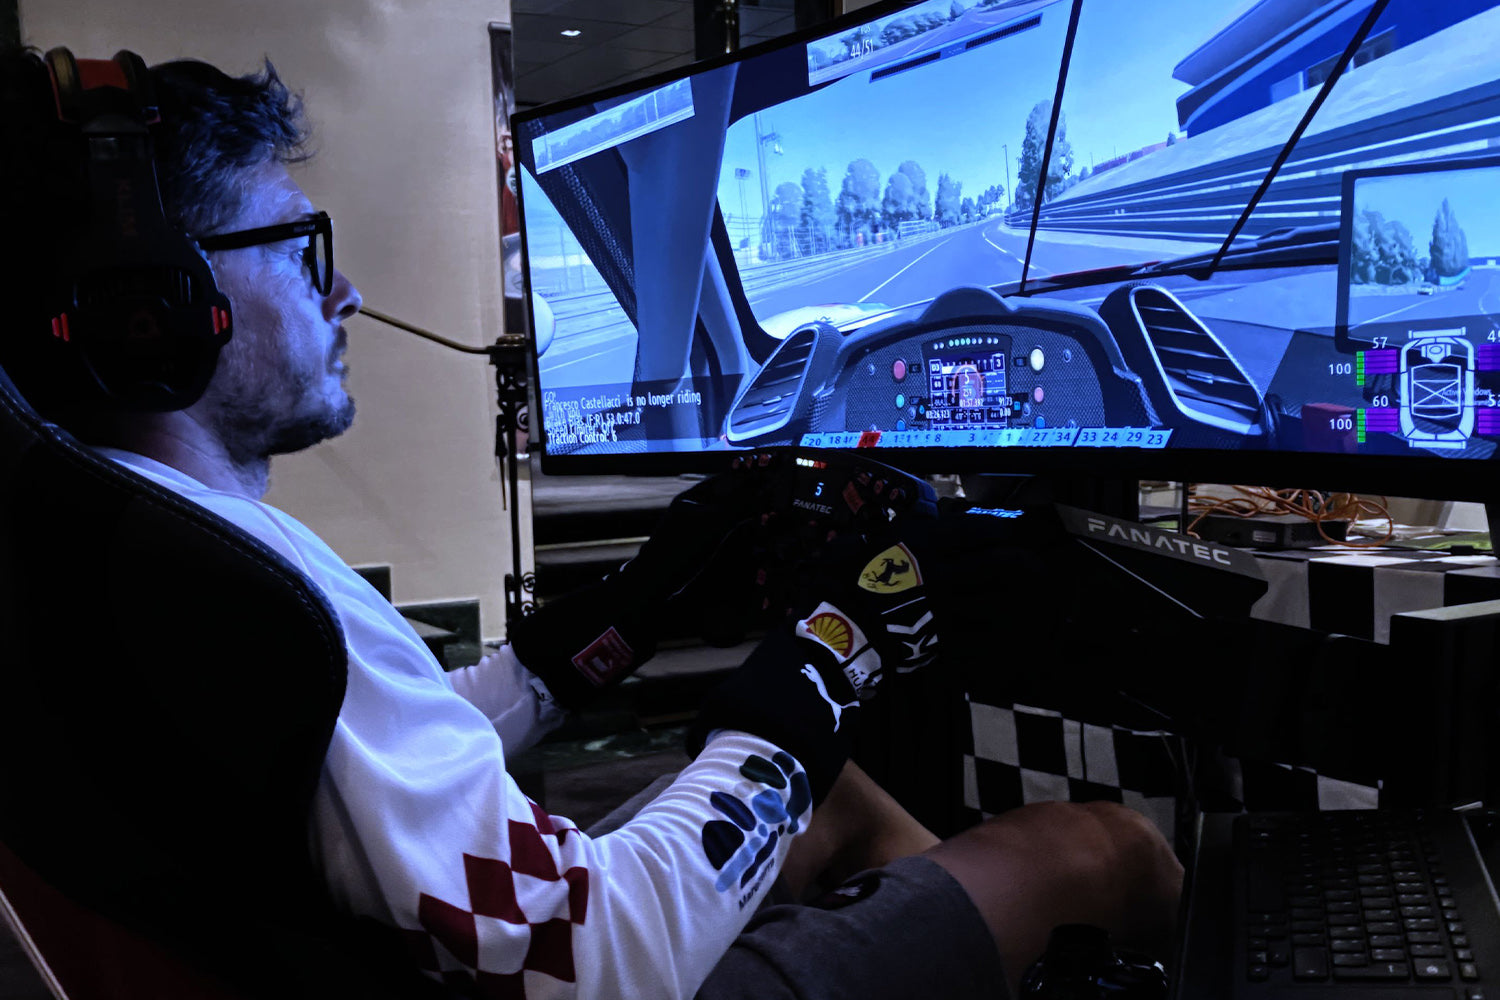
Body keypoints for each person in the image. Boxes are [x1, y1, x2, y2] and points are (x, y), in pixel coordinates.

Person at [0, 46, 1182, 1000]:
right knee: (1105, 850)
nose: (345, 291)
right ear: (155, 302)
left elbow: (393, 757)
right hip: (586, 971)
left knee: (835, 799)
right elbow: (594, 960)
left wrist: (634, 610)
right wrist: (841, 647)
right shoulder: (240, 596)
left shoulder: (123, 539)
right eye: (301, 250)